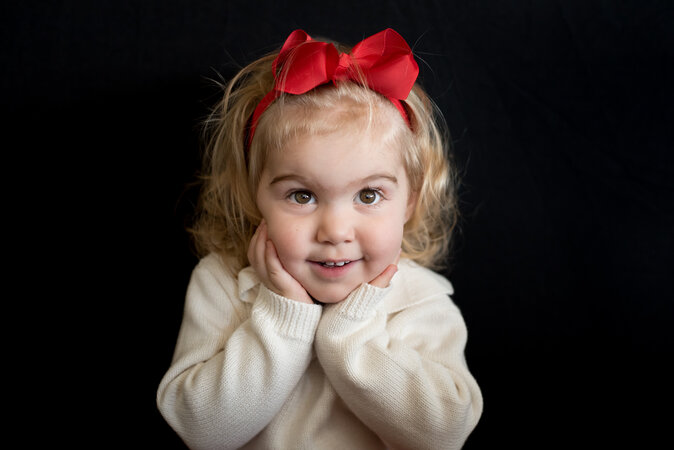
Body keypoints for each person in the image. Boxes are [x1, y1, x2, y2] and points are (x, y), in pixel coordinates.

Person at [157, 28, 483, 449]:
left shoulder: (419, 299)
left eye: (369, 195)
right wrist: (283, 316)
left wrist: (349, 332)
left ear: (409, 202)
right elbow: (202, 432)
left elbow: (443, 435)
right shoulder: (223, 283)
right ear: (254, 196)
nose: (335, 232)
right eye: (302, 195)